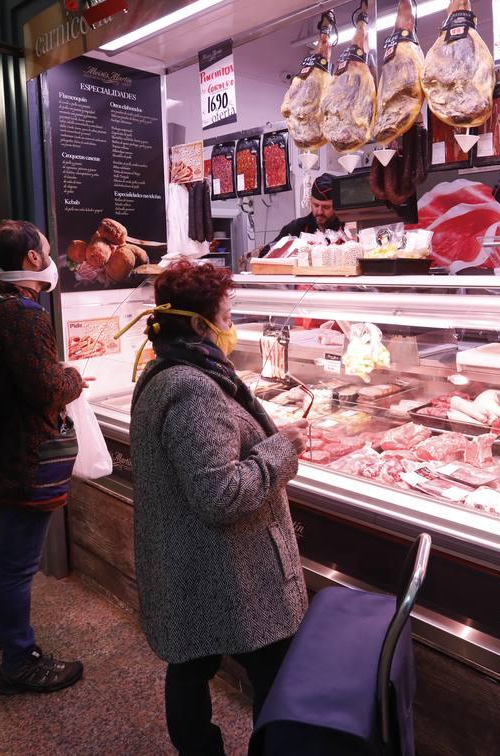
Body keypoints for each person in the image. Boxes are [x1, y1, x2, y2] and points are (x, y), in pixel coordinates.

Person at [129, 260, 310, 755]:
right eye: (226, 317)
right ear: (198, 325)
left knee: (189, 664)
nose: (230, 328)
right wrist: (280, 450)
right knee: (272, 671)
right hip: (227, 571)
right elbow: (221, 494)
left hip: (193, 561)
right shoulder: (194, 389)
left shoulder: (166, 370)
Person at [0, 219, 86, 694]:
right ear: (33, 258)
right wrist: (72, 377)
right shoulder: (25, 315)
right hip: (23, 457)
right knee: (16, 565)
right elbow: (47, 389)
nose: (50, 256)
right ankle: (19, 659)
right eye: (45, 249)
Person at [258, 173, 342, 255]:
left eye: (326, 207)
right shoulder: (297, 227)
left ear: (337, 206)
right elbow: (266, 253)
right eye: (315, 205)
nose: (319, 211)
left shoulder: (346, 228)